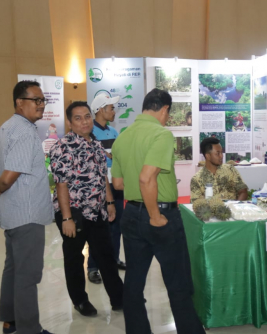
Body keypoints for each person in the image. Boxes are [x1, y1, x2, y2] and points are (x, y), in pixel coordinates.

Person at [111, 88, 205, 333]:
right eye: (167, 114)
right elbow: (146, 178)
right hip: (159, 215)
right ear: (164, 109)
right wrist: (155, 215)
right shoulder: (160, 135)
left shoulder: (122, 136)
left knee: (134, 282)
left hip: (131, 214)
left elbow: (118, 184)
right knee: (178, 283)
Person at [0, 80, 54, 334]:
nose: (41, 105)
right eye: (36, 100)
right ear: (20, 102)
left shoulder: (5, 127)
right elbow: (6, 178)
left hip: (11, 215)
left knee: (13, 269)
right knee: (27, 276)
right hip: (27, 215)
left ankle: (11, 321)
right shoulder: (24, 132)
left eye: (43, 100)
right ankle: (29, 330)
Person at [49, 101, 123, 317]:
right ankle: (80, 300)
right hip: (74, 212)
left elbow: (103, 177)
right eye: (78, 118)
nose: (84, 122)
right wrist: (66, 218)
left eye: (87, 116)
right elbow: (61, 185)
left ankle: (118, 298)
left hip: (97, 210)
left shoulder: (96, 145)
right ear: (70, 123)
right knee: (74, 259)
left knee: (106, 255)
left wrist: (109, 202)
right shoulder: (61, 147)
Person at [86, 93, 126, 285]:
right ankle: (93, 267)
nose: (114, 111)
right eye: (111, 108)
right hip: (98, 187)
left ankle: (114, 258)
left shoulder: (114, 132)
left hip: (116, 184)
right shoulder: (89, 133)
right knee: (98, 227)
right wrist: (109, 155)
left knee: (117, 224)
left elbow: (116, 158)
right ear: (100, 110)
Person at [190, 137, 248, 202]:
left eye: (221, 152)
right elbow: (196, 204)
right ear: (208, 156)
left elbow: (243, 191)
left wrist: (236, 206)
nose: (221, 156)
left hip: (233, 209)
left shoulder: (230, 169)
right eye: (218, 153)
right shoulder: (196, 180)